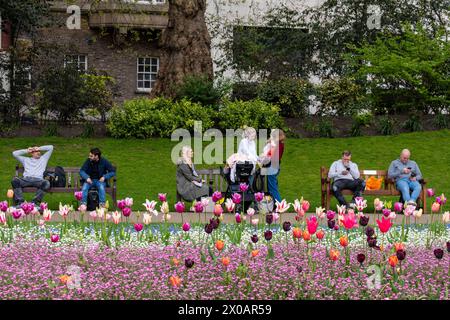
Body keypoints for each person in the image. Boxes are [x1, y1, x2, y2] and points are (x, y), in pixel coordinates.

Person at [261, 129, 285, 203]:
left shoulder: (276, 145)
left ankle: (279, 204)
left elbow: (269, 155)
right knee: (273, 186)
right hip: (276, 166)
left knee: (272, 187)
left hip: (272, 167)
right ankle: (275, 205)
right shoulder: (280, 144)